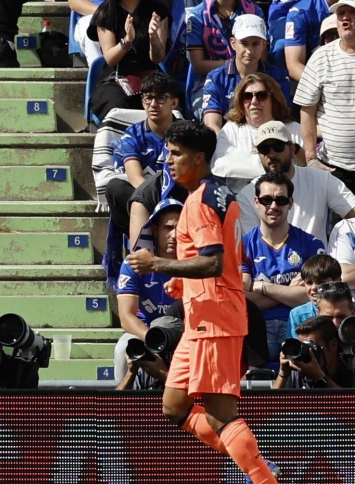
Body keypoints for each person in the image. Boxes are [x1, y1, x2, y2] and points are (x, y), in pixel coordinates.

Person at [126, 120, 280, 483]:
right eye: (167, 152)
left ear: (199, 158)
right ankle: (255, 463)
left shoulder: (199, 203)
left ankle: (261, 475)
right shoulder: (217, 194)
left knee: (219, 414)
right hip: (202, 318)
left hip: (215, 319)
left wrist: (158, 264)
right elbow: (220, 258)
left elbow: (213, 261)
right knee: (174, 406)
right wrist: (181, 281)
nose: (168, 160)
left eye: (176, 153)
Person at [241, 171, 324, 361]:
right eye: (266, 200)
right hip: (257, 326)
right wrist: (288, 292)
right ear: (256, 202)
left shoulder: (311, 243)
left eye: (281, 200)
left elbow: (313, 296)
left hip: (301, 324)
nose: (273, 206)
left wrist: (262, 287)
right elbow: (243, 299)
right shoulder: (243, 245)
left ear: (291, 203)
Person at [236, 121, 355, 246]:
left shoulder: (321, 179)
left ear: (292, 149)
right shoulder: (247, 195)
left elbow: (351, 210)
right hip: (271, 264)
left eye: (278, 147)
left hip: (317, 262)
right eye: (264, 149)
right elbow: (253, 246)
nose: (271, 154)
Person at [105, 72, 179, 238]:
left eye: (160, 98)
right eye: (148, 98)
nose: (153, 104)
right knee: (115, 188)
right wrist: (160, 204)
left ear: (174, 102)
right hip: (148, 198)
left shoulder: (186, 132)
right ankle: (141, 239)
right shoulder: (132, 135)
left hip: (180, 196)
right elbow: (135, 178)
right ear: (142, 102)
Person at [114, 199, 180, 383]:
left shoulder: (194, 266)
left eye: (180, 228)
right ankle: (121, 406)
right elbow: (126, 316)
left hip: (182, 334)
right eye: (168, 228)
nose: (174, 235)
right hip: (144, 333)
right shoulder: (134, 263)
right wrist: (152, 339)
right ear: (154, 230)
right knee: (122, 348)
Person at [294, 0, 355, 193]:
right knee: (340, 224)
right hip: (336, 169)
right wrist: (311, 158)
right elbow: (306, 110)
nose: (345, 17)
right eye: (341, 13)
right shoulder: (321, 57)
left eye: (352, 12)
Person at [211, 74, 304, 194]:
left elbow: (306, 166)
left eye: (261, 96)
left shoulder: (293, 128)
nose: (254, 102)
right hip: (241, 197)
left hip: (287, 199)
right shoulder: (231, 129)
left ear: (273, 99)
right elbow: (220, 165)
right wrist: (278, 163)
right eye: (247, 96)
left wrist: (241, 157)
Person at [202, 14, 292, 134]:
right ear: (233, 43)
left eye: (255, 44)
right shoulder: (216, 78)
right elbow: (211, 124)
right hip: (228, 142)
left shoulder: (279, 77)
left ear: (264, 44)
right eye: (244, 43)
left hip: (270, 141)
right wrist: (227, 148)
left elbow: (284, 118)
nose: (249, 51)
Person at [85, 0, 170, 122]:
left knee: (165, 103)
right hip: (115, 79)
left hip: (150, 76)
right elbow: (110, 59)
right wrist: (127, 41)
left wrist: (153, 37)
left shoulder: (158, 10)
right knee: (118, 107)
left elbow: (157, 57)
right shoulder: (106, 12)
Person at [184, 0, 263, 113]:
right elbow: (198, 65)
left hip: (251, 75)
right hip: (209, 80)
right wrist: (236, 65)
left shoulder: (253, 10)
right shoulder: (197, 15)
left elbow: (261, 57)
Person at [274, 315, 354, 388]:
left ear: (332, 345)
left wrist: (320, 377)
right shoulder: (297, 369)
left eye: (311, 347)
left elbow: (349, 403)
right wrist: (283, 374)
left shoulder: (350, 369)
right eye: (302, 347)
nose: (306, 352)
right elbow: (273, 403)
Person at [115, 315, 183, 391]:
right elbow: (117, 402)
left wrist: (163, 374)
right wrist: (131, 373)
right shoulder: (149, 364)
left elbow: (194, 398)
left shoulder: (188, 366)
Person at [273, 0, 330, 81]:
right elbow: (294, 65)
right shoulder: (299, 12)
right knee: (280, 47)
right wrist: (325, 86)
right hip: (318, 74)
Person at [286, 255, 342, 333]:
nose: (313, 288)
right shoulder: (297, 315)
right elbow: (295, 344)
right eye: (309, 283)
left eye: (321, 282)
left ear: (338, 281)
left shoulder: (350, 310)